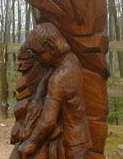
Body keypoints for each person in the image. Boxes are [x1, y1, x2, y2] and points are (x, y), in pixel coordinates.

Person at [17, 23, 92, 159]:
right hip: (79, 138)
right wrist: (39, 98)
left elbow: (48, 122)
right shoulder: (70, 60)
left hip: (72, 145)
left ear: (50, 47)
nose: (37, 59)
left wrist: (31, 143)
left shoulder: (59, 78)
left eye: (38, 54)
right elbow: (46, 80)